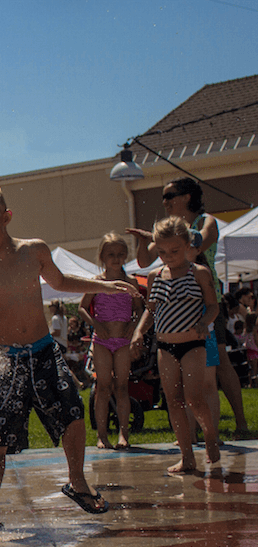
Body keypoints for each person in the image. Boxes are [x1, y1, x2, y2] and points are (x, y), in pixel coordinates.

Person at [0, 180, 134, 524]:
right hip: (6, 361)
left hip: (42, 352)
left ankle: (77, 481)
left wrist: (104, 286)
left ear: (6, 217)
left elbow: (61, 282)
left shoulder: (33, 251)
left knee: (72, 413)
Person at [129, 176, 248, 434]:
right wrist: (143, 240)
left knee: (218, 365)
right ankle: (193, 432)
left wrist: (162, 238)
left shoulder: (206, 221)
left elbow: (198, 244)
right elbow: (143, 261)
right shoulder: (169, 228)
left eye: (169, 196)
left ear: (186, 197)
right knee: (184, 376)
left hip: (205, 302)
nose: (165, 202)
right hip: (175, 306)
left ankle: (239, 422)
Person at [131, 217, 220, 473]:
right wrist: (139, 332)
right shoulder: (155, 275)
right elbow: (151, 311)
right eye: (161, 252)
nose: (168, 257)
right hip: (165, 346)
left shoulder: (198, 273)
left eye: (174, 251)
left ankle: (210, 435)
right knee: (174, 400)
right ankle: (187, 456)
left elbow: (213, 306)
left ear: (187, 244)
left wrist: (205, 321)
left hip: (193, 344)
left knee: (194, 398)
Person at [78, 233, 143, 450]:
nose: (116, 259)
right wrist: (96, 324)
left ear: (125, 256)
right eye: (111, 254)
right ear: (102, 257)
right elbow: (82, 308)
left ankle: (124, 434)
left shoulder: (130, 282)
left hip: (122, 340)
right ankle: (102, 435)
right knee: (103, 387)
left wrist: (132, 328)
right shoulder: (97, 282)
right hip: (102, 340)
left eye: (120, 254)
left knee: (122, 387)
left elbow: (139, 310)